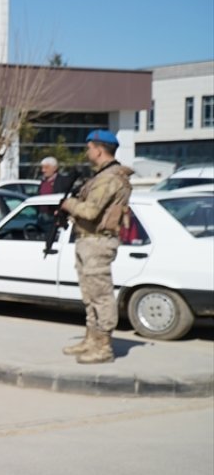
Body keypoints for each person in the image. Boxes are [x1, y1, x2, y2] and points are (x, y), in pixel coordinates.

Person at [59, 130, 133, 364]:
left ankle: (104, 347)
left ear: (99, 149)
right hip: (89, 239)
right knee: (89, 294)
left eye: (89, 147)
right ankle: (91, 339)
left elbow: (91, 211)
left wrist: (68, 204)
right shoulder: (101, 175)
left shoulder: (109, 178)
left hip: (98, 241)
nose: (87, 152)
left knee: (101, 295)